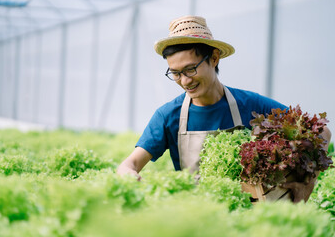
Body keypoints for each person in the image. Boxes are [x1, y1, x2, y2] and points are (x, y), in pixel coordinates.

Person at [117, 15, 332, 202]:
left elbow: (322, 132)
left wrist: (305, 181)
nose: (184, 81)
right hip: (196, 221)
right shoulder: (168, 116)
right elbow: (129, 164)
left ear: (214, 58)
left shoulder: (252, 105)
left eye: (190, 69)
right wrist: (127, 173)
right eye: (175, 73)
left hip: (249, 219)